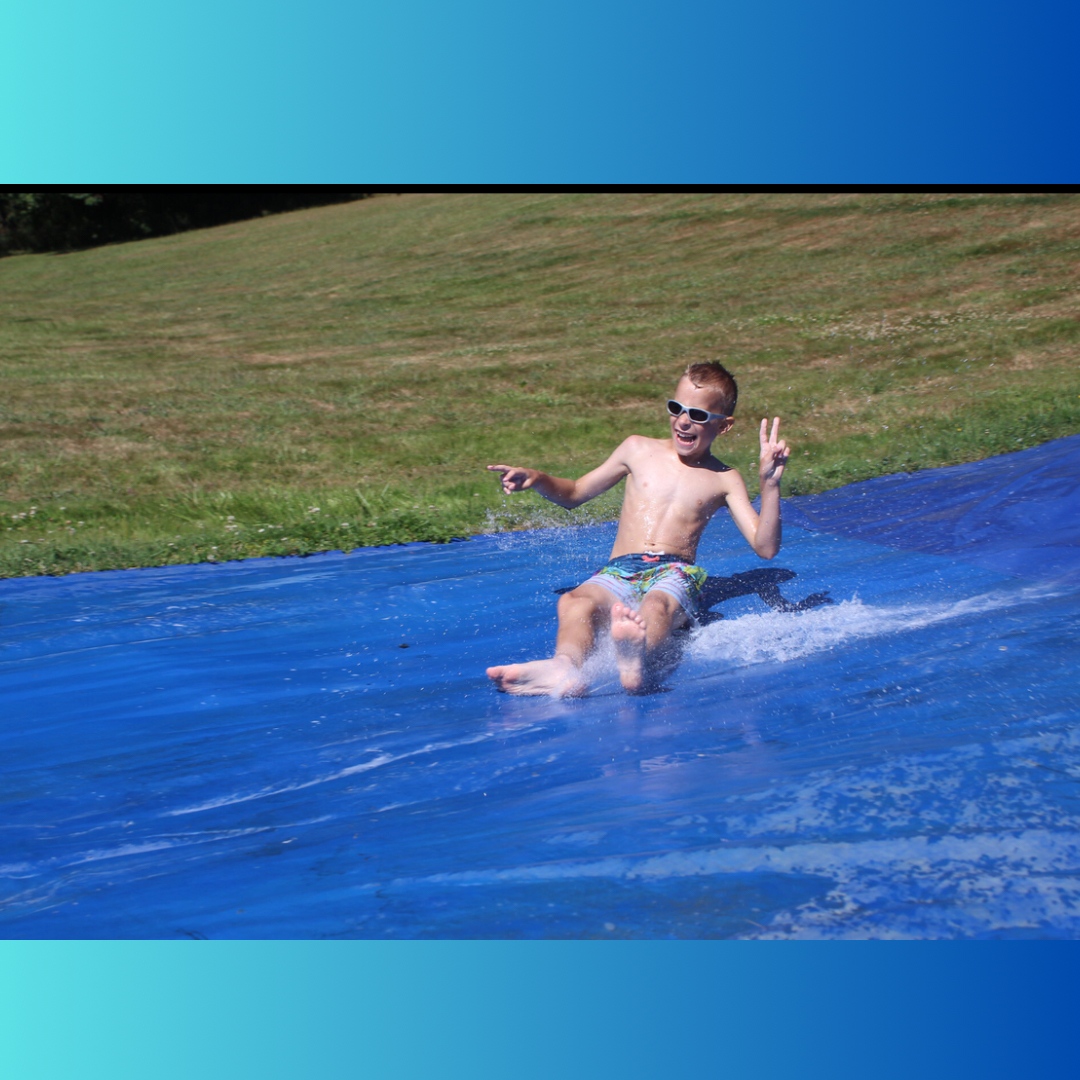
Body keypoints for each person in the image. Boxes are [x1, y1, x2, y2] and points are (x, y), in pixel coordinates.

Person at [485, 361, 790, 696]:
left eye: (698, 415)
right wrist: (539, 479)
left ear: (724, 425)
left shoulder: (724, 478)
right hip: (620, 569)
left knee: (657, 608)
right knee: (576, 602)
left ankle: (637, 660)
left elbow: (765, 547)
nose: (683, 421)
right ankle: (565, 667)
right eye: (676, 408)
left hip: (674, 571)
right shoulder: (637, 449)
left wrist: (769, 485)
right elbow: (574, 493)